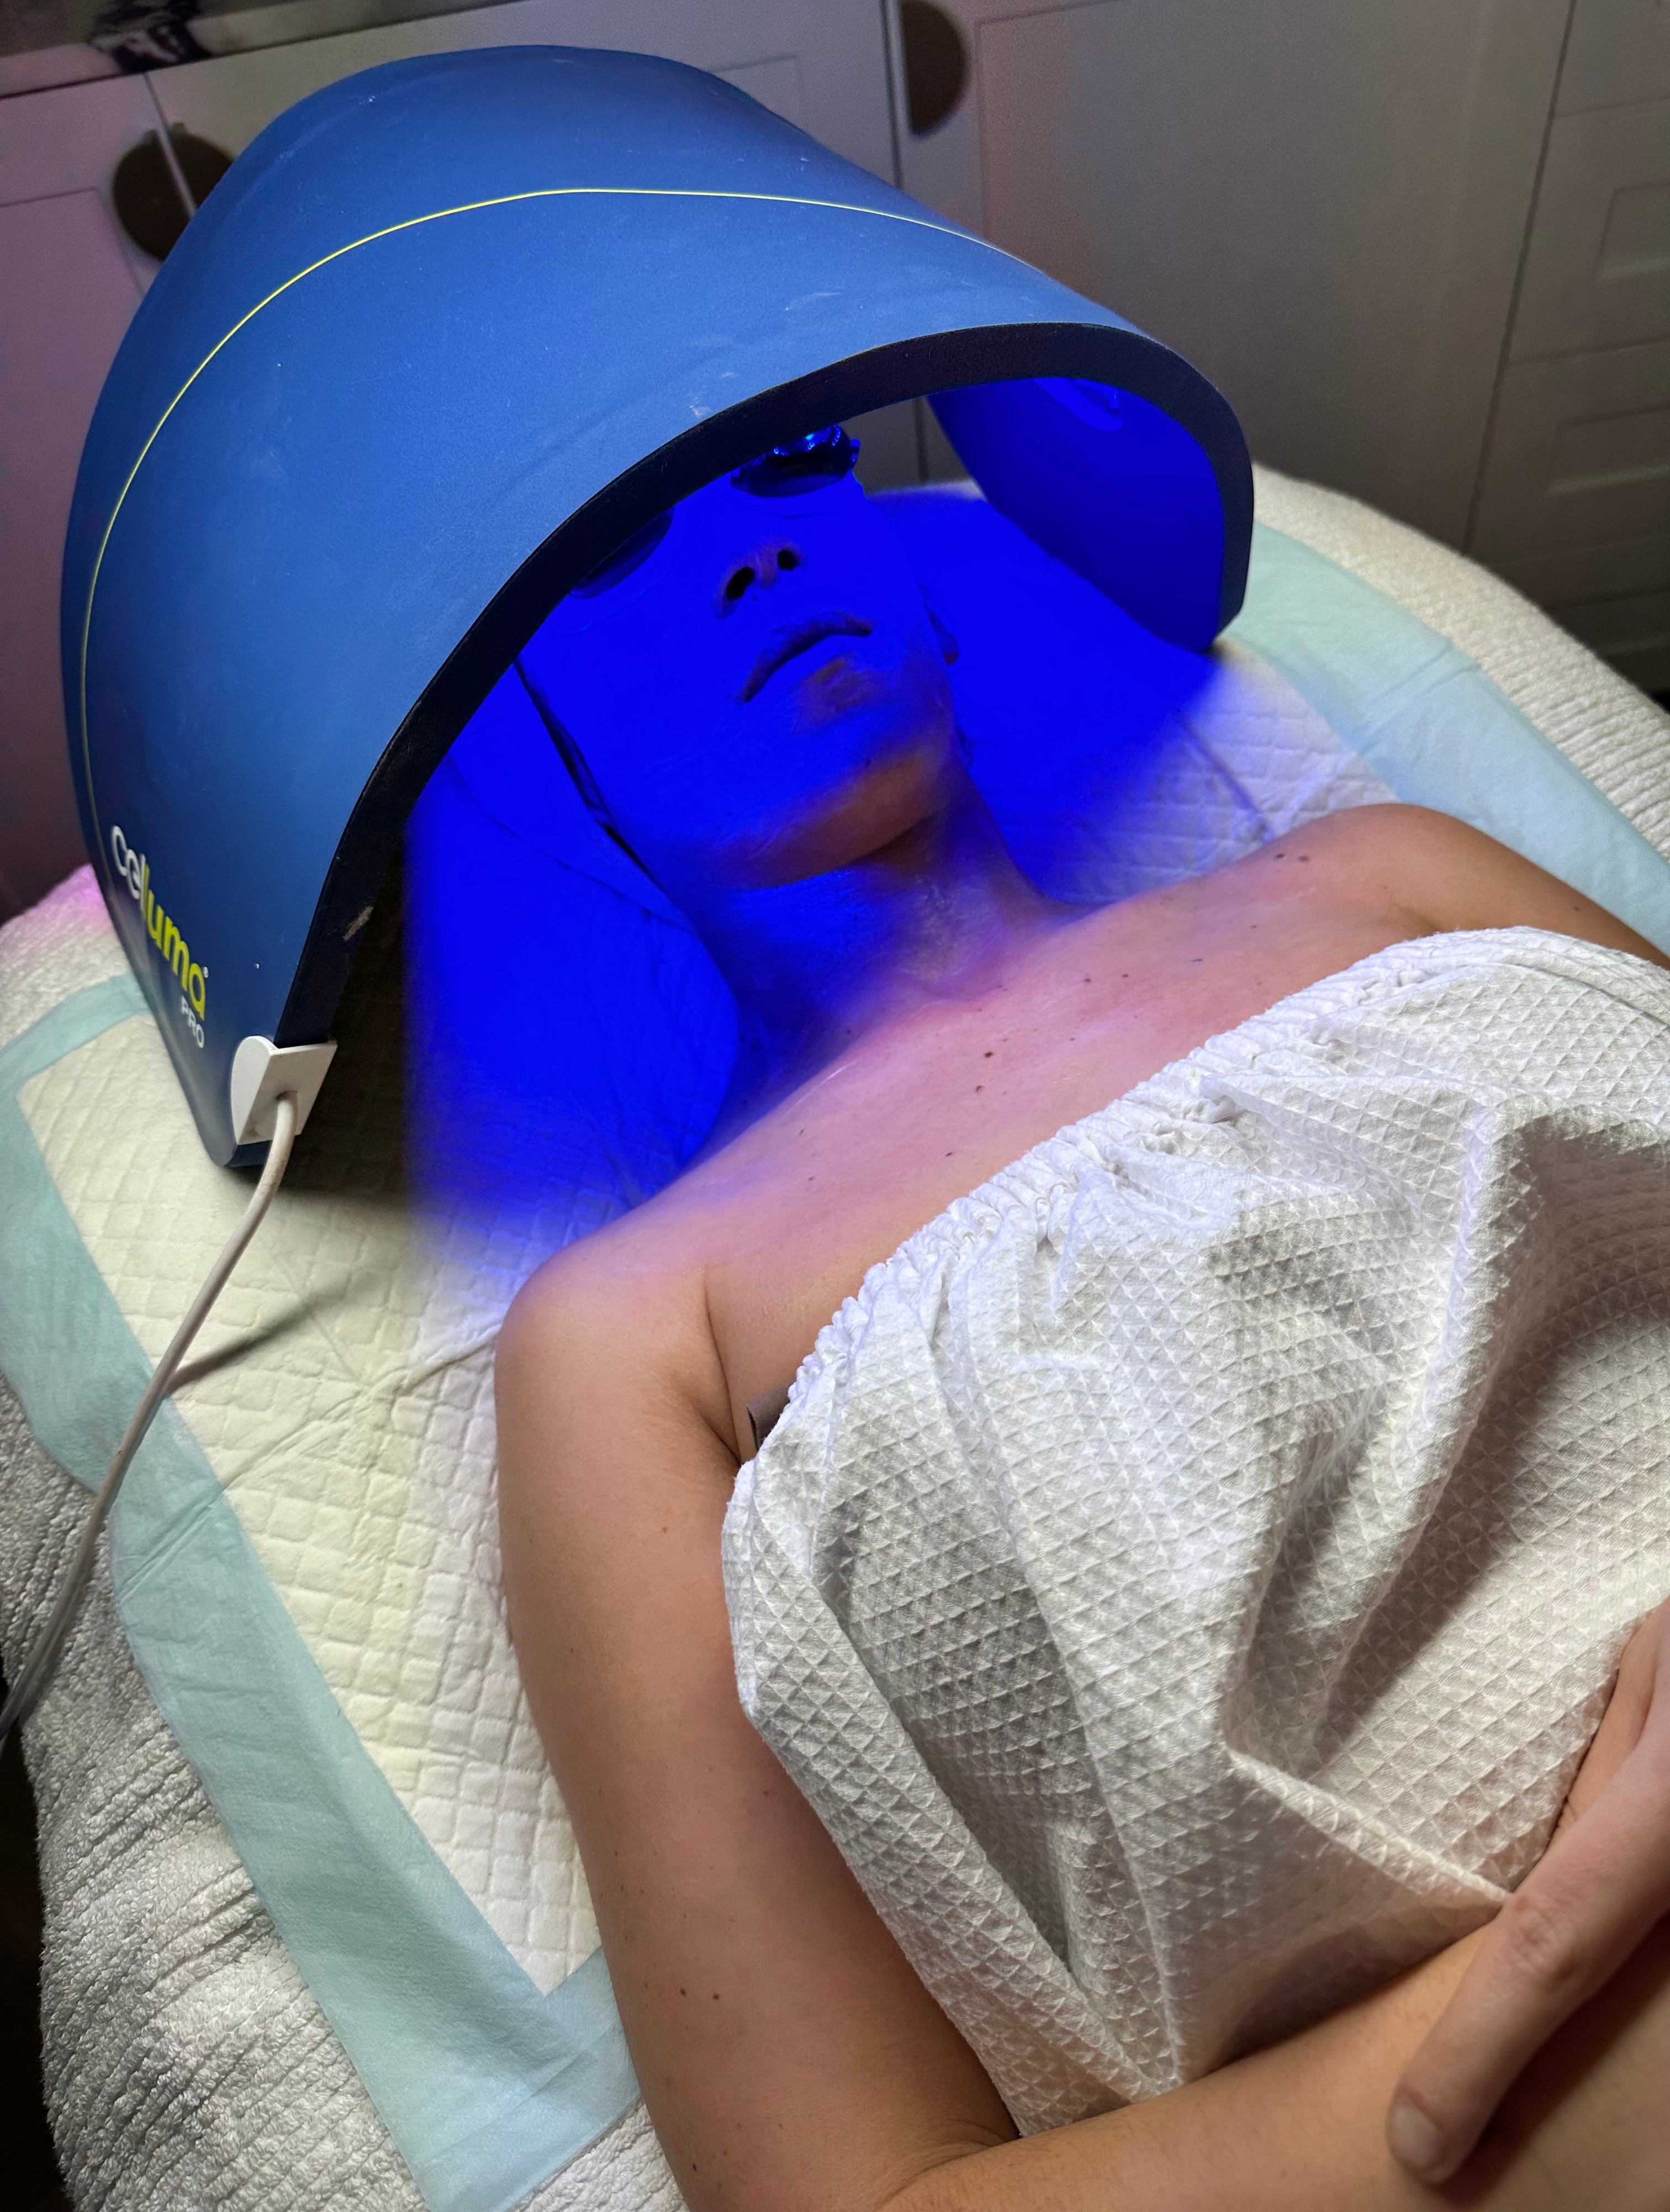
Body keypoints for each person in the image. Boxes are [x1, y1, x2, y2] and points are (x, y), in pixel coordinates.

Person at [497, 427, 1670, 2210]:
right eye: (612, 549)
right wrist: (1561, 2003)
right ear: (569, 769)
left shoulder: (1387, 879)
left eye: (798, 468)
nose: (754, 551)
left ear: (933, 601)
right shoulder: (634, 1335)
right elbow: (857, 2194)